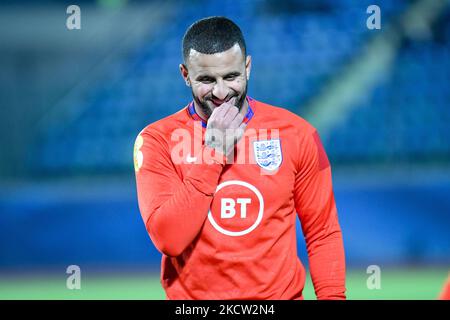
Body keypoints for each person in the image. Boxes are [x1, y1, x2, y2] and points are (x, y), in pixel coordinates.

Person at [134, 16, 346, 300]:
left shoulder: (299, 134)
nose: (221, 93)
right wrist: (214, 154)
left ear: (247, 67)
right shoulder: (156, 140)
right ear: (185, 74)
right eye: (206, 80)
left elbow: (323, 232)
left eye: (231, 77)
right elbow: (169, 239)